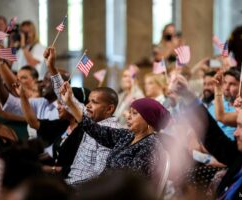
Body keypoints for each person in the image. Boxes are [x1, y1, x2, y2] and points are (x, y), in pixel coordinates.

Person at [60, 81, 170, 181]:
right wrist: (69, 102)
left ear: (149, 120)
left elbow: (132, 185)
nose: (128, 117)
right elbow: (94, 129)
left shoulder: (150, 147)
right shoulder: (128, 135)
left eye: (134, 113)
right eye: (129, 112)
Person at [43, 47, 122, 184]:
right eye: (89, 101)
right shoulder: (93, 119)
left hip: (81, 188)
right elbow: (66, 100)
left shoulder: (110, 132)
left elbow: (98, 175)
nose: (88, 105)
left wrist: (69, 186)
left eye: (94, 102)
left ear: (109, 109)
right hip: (71, 180)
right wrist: (52, 67)